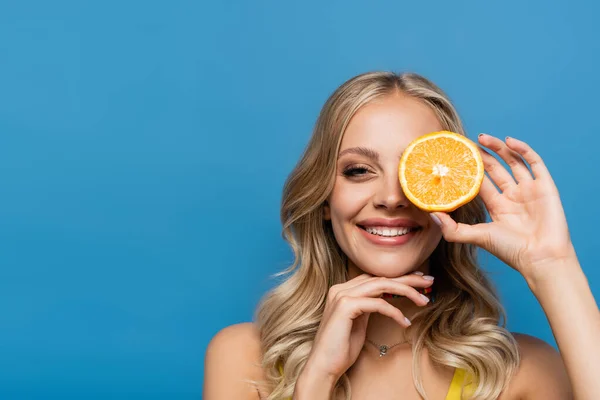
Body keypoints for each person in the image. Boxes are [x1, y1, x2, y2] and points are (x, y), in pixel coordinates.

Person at [203, 72, 600, 399]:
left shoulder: (521, 374)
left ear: (451, 198)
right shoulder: (244, 359)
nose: (392, 198)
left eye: (417, 174)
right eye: (358, 170)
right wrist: (317, 380)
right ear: (324, 197)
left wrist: (553, 266)